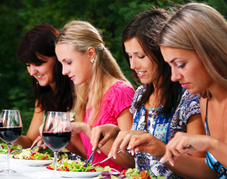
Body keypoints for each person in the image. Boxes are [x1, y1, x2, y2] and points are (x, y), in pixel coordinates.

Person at [90, 9, 206, 178]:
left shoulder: (190, 98)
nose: (132, 65)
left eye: (140, 56)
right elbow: (133, 160)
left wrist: (161, 150)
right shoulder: (140, 95)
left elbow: (202, 172)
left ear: (162, 51)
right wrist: (116, 134)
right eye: (129, 56)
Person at [158, 2, 227, 178]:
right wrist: (156, 149)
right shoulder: (205, 101)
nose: (174, 76)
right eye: (170, 66)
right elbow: (211, 173)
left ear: (210, 52)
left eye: (180, 64)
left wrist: (210, 144)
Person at [55, 20, 135, 171]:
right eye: (62, 64)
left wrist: (86, 129)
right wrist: (64, 135)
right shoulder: (85, 92)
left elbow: (131, 163)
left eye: (69, 62)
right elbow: (92, 156)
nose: (63, 71)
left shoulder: (120, 92)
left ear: (91, 53)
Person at [13, 24, 74, 149]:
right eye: (28, 65)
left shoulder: (80, 88)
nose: (32, 72)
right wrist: (5, 131)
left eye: (38, 63)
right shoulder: (44, 95)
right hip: (59, 167)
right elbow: (30, 143)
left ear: (58, 57)